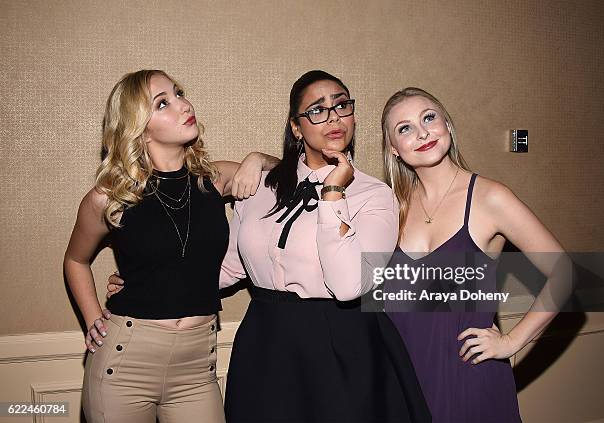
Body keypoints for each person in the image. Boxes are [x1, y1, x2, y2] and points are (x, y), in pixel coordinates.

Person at [63, 69, 277, 423]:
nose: (183, 104)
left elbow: (292, 176)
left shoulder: (214, 179)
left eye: (178, 93)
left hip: (196, 368)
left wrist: (257, 158)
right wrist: (91, 319)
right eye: (164, 103)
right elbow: (75, 260)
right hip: (125, 363)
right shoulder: (109, 197)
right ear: (139, 128)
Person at [217, 70, 431, 422]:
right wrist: (153, 285)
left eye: (341, 105)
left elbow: (350, 285)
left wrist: (333, 192)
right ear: (296, 127)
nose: (333, 117)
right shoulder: (260, 187)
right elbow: (229, 268)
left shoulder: (374, 196)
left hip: (342, 343)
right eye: (317, 110)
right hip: (265, 339)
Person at [380, 87, 566, 422]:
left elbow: (565, 273)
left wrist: (511, 342)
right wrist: (262, 162)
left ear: (447, 125)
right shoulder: (391, 208)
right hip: (403, 382)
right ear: (394, 149)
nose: (422, 132)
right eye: (404, 128)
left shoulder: (490, 198)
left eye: (429, 118)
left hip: (468, 379)